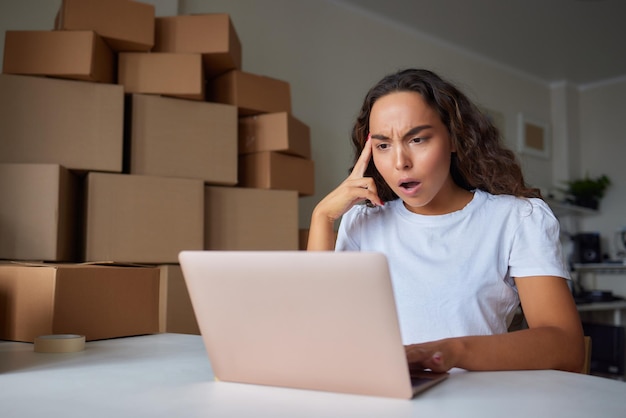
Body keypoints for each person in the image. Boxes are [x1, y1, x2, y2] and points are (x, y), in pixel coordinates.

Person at [307, 68, 584, 373]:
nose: (401, 162)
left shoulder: (516, 218)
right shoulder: (361, 221)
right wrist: (322, 218)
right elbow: (320, 334)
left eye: (418, 139)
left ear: (454, 139)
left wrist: (450, 351)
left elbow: (565, 347)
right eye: (383, 145)